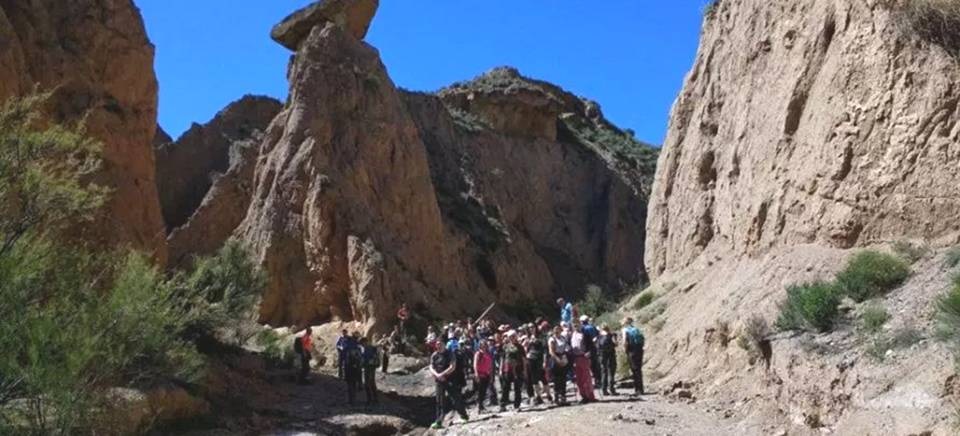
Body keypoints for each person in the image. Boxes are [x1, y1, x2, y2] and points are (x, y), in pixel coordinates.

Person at [430, 342, 469, 429]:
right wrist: (437, 375)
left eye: (440, 344)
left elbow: (452, 366)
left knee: (455, 398)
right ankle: (439, 421)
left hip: (450, 380)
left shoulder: (450, 354)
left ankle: (464, 416)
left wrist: (443, 374)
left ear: (444, 345)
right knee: (439, 400)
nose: (439, 346)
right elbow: (431, 366)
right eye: (437, 345)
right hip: (439, 381)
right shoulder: (434, 355)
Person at [570, 321, 596, 404]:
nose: (576, 326)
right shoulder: (571, 335)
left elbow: (592, 346)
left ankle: (590, 396)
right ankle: (583, 396)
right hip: (575, 358)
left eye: (577, 325)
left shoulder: (585, 334)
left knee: (586, 378)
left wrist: (590, 352)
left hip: (584, 357)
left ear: (580, 325)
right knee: (579, 379)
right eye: (574, 325)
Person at [498, 330, 525, 412]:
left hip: (518, 369)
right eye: (510, 336)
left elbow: (524, 359)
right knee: (505, 387)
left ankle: (517, 405)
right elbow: (502, 358)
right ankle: (503, 405)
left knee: (517, 388)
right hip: (507, 369)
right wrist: (500, 369)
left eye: (513, 336)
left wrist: (524, 370)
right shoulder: (505, 346)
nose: (512, 338)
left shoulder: (520, 347)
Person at [523, 324, 547, 405]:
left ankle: (547, 395)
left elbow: (544, 350)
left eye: (532, 327)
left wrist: (544, 361)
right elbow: (526, 349)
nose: (531, 329)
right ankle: (537, 396)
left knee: (541, 377)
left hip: (538, 359)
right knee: (532, 379)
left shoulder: (540, 337)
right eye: (529, 328)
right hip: (530, 359)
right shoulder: (528, 338)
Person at [547, 325, 571, 406]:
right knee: (557, 379)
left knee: (563, 378)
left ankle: (563, 398)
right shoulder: (552, 339)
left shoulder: (563, 338)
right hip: (555, 359)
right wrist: (558, 360)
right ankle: (557, 398)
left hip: (563, 357)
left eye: (558, 329)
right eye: (555, 329)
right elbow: (551, 351)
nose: (557, 331)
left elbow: (566, 347)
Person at [622, 317, 645, 396]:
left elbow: (625, 342)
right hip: (639, 350)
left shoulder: (625, 330)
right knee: (638, 369)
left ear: (625, 323)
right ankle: (641, 389)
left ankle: (637, 389)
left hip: (631, 351)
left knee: (634, 370)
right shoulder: (636, 329)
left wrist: (625, 350)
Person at [473, 338, 494, 414]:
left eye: (485, 344)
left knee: (484, 391)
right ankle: (479, 407)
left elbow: (490, 366)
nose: (484, 346)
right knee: (479, 391)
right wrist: (476, 374)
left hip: (486, 375)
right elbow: (475, 364)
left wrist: (491, 375)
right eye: (482, 345)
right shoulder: (478, 354)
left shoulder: (488, 354)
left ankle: (481, 406)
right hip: (480, 374)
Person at [597, 324, 619, 396]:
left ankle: (604, 390)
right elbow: (616, 344)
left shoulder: (599, 336)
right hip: (611, 355)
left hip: (602, 356)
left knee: (604, 372)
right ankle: (612, 389)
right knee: (611, 372)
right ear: (608, 328)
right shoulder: (611, 335)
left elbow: (597, 346)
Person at [580, 315, 601, 387]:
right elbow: (598, 335)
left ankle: (593, 381)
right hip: (594, 347)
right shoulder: (593, 327)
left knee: (590, 365)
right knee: (595, 364)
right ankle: (598, 380)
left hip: (588, 348)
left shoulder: (583, 329)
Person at [344, 332, 363, 405]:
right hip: (356, 367)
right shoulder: (358, 347)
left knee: (350, 384)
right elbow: (360, 358)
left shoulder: (348, 346)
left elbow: (346, 358)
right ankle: (353, 399)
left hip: (349, 367)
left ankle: (351, 400)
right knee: (354, 383)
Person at [360, 337, 380, 405]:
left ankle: (371, 399)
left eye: (363, 344)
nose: (362, 345)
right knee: (371, 383)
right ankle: (373, 399)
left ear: (365, 342)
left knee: (369, 383)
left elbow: (371, 358)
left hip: (370, 367)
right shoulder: (367, 349)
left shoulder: (370, 348)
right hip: (368, 367)